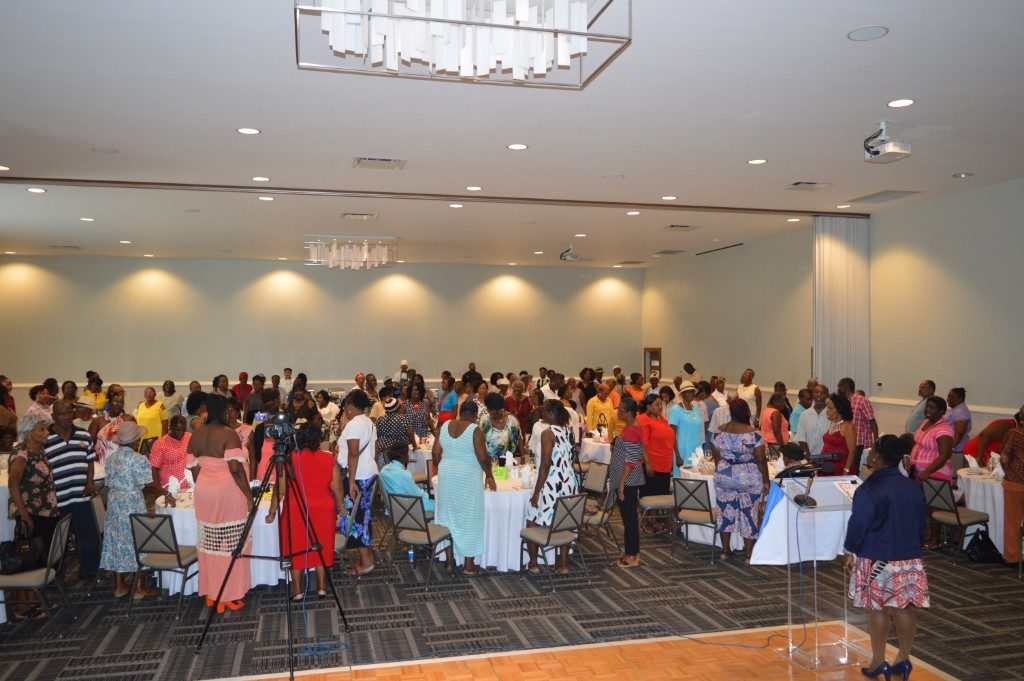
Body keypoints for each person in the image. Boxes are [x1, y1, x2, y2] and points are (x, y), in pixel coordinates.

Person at [844, 435, 929, 681]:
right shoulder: (913, 486)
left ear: (878, 457)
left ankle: (878, 662)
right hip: (909, 556)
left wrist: (850, 551)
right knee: (904, 608)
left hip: (877, 558)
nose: (869, 455)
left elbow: (858, 525)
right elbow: (921, 523)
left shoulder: (868, 488)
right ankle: (903, 658)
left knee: (877, 609)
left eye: (872, 451)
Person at [265, 420, 345, 600]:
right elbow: (337, 487)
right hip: (323, 508)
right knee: (321, 547)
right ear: (318, 439)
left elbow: (280, 489)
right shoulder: (328, 457)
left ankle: (298, 591)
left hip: (296, 509)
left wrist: (271, 512)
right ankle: (322, 588)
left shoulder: (289, 459)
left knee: (296, 547)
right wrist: (341, 508)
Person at [187, 393, 252, 613]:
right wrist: (249, 496)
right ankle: (228, 595)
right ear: (223, 410)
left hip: (204, 488)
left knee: (210, 542)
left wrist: (205, 487)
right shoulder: (228, 433)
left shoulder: (196, 434)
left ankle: (211, 592)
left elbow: (195, 469)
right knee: (231, 542)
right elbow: (235, 469)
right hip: (227, 490)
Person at [432, 399, 495, 577]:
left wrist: (442, 467)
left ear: (460, 412)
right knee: (470, 517)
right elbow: (482, 457)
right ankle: (469, 565)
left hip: (446, 474)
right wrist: (489, 475)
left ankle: (450, 562)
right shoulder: (475, 430)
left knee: (448, 516)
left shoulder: (444, 426)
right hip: (467, 476)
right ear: (475, 415)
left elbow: (435, 453)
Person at [99, 421, 162, 598]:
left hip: (114, 502)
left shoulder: (111, 459)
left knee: (116, 541)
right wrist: (166, 492)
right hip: (132, 502)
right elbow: (149, 483)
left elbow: (108, 482)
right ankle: (139, 587)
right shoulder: (139, 459)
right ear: (137, 441)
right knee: (137, 540)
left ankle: (119, 586)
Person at [6, 414, 60, 618]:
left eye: (46, 429)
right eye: (41, 430)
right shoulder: (22, 452)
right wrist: (24, 515)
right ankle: (21, 607)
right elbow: (14, 483)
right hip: (31, 513)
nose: (46, 433)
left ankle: (34, 601)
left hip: (45, 511)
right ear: (29, 432)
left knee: (39, 558)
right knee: (28, 559)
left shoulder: (39, 451)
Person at [46, 399, 101, 580]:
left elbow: (90, 461)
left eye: (69, 412)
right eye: (61, 414)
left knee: (87, 536)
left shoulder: (83, 435)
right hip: (59, 497)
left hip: (81, 495)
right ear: (53, 416)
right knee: (59, 541)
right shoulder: (45, 438)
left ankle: (90, 573)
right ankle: (56, 576)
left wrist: (89, 483)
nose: (66, 417)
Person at [524, 399, 579, 574]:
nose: (541, 413)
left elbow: (546, 464)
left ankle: (533, 563)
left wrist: (537, 492)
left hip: (551, 482)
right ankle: (562, 565)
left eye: (544, 411)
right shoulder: (568, 430)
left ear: (550, 414)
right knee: (565, 521)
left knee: (531, 520)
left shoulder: (548, 433)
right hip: (568, 481)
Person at [711, 398, 769, 561]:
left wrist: (722, 471)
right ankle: (748, 554)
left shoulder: (719, 432)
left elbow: (716, 455)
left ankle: (725, 551)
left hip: (724, 475)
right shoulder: (754, 434)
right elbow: (761, 459)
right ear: (747, 412)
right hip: (748, 478)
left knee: (724, 511)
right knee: (749, 512)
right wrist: (766, 481)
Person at [337, 390, 380, 576]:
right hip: (368, 473)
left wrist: (351, 480)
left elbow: (353, 453)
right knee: (364, 516)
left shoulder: (354, 424)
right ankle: (366, 555)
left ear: (354, 405)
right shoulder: (369, 422)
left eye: (346, 405)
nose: (345, 409)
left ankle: (366, 562)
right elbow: (375, 450)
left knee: (357, 519)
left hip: (358, 478)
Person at [609, 396, 647, 567]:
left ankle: (632, 554)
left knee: (629, 518)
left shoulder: (632, 430)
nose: (618, 413)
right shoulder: (631, 427)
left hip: (629, 480)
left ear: (629, 413)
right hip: (626, 479)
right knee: (628, 517)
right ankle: (631, 551)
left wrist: (622, 483)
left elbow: (631, 460)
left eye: (621, 411)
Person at [637, 394, 676, 533]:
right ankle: (647, 522)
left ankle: (657, 521)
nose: (660, 407)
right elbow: (643, 443)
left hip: (665, 463)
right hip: (651, 463)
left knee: (661, 493)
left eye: (661, 404)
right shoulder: (643, 420)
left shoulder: (662, 419)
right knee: (650, 493)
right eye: (656, 404)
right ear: (648, 406)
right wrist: (647, 463)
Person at [908, 396, 954, 494]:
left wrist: (927, 472)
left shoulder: (944, 429)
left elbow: (945, 455)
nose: (927, 409)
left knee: (930, 505)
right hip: (918, 469)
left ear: (941, 411)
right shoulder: (926, 422)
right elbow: (918, 443)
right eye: (927, 406)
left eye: (932, 408)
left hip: (934, 473)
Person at [379, 442, 435, 513]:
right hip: (408, 507)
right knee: (438, 504)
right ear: (403, 456)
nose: (408, 456)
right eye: (407, 454)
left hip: (394, 507)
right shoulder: (404, 474)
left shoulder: (383, 470)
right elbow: (417, 494)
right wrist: (432, 496)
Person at [838, 378, 878, 475]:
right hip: (847, 441)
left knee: (855, 471)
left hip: (860, 443)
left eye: (840, 387)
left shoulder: (862, 401)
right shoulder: (842, 402)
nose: (838, 390)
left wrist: (876, 444)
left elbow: (872, 422)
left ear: (846, 388)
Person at [999, 418, 1024, 564]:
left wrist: (1007, 471)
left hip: (1015, 482)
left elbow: (1004, 457)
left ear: (1021, 418)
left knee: (1012, 522)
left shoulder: (1014, 433)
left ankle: (1012, 557)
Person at [149, 414, 191, 494]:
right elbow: (153, 468)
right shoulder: (160, 444)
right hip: (169, 488)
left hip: (189, 485)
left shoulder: (189, 437)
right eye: (177, 430)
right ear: (170, 427)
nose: (181, 433)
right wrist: (160, 491)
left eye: (183, 429)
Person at [479, 392, 526, 462]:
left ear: (500, 409)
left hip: (509, 461)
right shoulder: (485, 421)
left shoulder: (512, 420)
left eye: (493, 411)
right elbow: (480, 441)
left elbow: (519, 438)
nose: (489, 413)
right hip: (490, 461)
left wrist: (523, 458)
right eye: (488, 410)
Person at [667, 380, 703, 469]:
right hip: (682, 451)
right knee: (683, 479)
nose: (692, 394)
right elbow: (672, 435)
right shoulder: (675, 410)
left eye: (692, 391)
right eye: (688, 392)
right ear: (682, 394)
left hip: (697, 450)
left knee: (696, 479)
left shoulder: (696, 408)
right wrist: (677, 456)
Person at [819, 393, 856, 476]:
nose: (827, 410)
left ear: (839, 410)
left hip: (840, 466)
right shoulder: (832, 422)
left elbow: (852, 452)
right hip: (827, 464)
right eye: (827, 407)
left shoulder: (848, 427)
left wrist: (846, 471)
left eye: (830, 408)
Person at [375, 395, 416, 469]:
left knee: (384, 476)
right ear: (398, 407)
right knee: (396, 476)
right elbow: (410, 434)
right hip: (397, 454)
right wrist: (415, 446)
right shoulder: (402, 419)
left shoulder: (380, 419)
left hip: (382, 453)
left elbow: (376, 435)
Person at [795, 384, 831, 458]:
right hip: (807, 457)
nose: (819, 395)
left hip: (825, 458)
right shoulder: (804, 415)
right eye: (816, 392)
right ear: (813, 394)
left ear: (827, 396)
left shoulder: (831, 415)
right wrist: (808, 456)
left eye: (822, 393)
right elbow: (801, 437)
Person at [133, 386, 167, 453]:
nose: (149, 394)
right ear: (144, 395)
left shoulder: (160, 405)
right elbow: (135, 420)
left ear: (155, 394)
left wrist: (164, 438)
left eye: (151, 392)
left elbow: (165, 422)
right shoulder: (140, 405)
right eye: (147, 392)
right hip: (141, 437)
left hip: (156, 437)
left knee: (155, 457)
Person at [945, 387, 972, 455]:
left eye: (952, 397)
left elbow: (959, 433)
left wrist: (951, 448)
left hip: (957, 449)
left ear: (960, 399)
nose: (948, 399)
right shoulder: (955, 409)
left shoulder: (960, 411)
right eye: (948, 396)